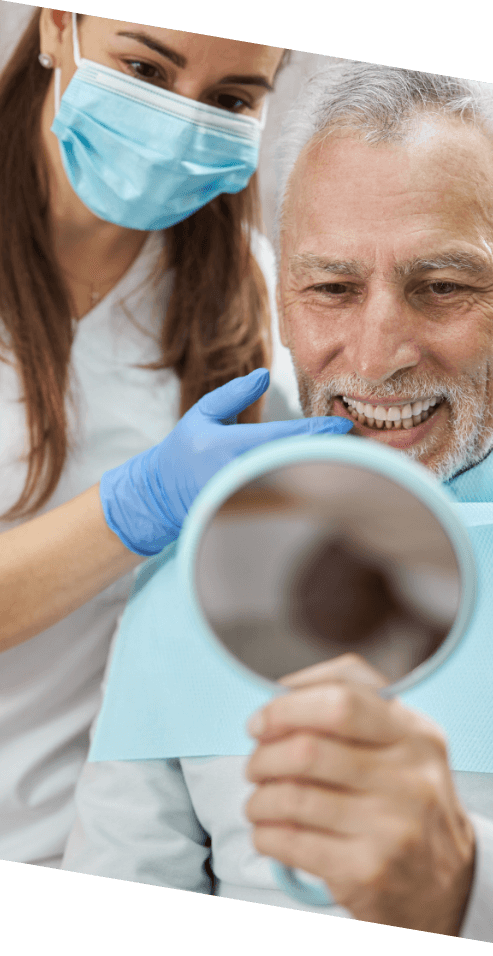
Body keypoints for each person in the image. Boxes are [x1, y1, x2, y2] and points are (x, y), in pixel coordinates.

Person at [59, 65, 493, 950]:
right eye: (332, 289)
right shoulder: (191, 579)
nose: (376, 355)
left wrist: (467, 883)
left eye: (443, 286)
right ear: (283, 302)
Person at [0, 12, 352, 870]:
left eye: (231, 97)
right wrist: (138, 505)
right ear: (56, 27)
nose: (182, 122)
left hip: (109, 839)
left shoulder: (251, 295)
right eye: (147, 71)